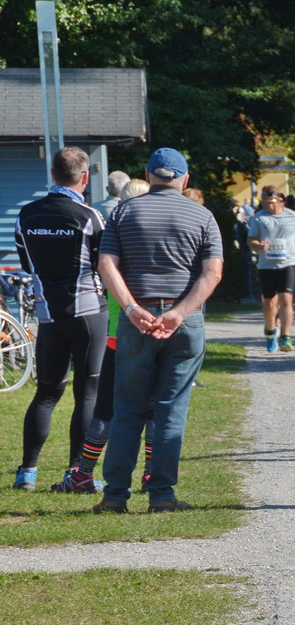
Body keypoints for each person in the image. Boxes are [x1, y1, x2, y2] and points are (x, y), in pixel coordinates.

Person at [92, 147, 223, 514]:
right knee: (171, 410)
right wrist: (179, 313)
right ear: (185, 179)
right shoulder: (203, 216)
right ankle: (162, 496)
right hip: (185, 322)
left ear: (149, 176)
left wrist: (131, 308)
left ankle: (115, 496)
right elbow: (212, 273)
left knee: (127, 410)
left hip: (138, 320)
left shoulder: (123, 212)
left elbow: (106, 264)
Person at [11, 147, 106, 493]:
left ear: (53, 174)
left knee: (47, 393)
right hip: (88, 313)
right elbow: (104, 264)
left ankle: (27, 473)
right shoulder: (91, 216)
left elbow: (26, 263)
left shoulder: (26, 214)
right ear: (85, 178)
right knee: (88, 393)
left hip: (48, 315)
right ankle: (77, 472)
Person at [248, 186, 295, 352]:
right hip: (266, 265)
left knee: (286, 299)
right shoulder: (259, 218)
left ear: (280, 200)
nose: (267, 204)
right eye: (264, 201)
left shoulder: (293, 216)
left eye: (270, 201)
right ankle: (270, 331)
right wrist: (258, 245)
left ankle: (285, 336)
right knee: (269, 302)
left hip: (287, 263)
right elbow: (250, 240)